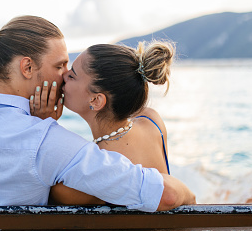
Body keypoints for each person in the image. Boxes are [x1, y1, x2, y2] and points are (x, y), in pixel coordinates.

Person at [0, 15, 195, 213]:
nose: (64, 77)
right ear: (28, 68)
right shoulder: (48, 143)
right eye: (60, 66)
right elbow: (165, 194)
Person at [39, 41, 177, 205]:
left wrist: (41, 125)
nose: (64, 76)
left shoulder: (96, 169)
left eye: (72, 76)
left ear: (96, 100)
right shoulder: (152, 121)